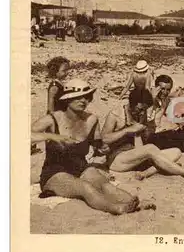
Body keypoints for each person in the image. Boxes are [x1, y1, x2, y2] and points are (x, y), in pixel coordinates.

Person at [31, 79, 143, 215]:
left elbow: (98, 146)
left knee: (104, 184)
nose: (84, 100)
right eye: (78, 97)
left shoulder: (91, 119)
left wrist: (102, 149)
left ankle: (134, 202)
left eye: (87, 97)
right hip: (54, 172)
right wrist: (53, 137)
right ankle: (117, 208)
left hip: (80, 167)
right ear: (67, 99)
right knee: (85, 187)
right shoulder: (53, 119)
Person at [101, 88, 184, 181]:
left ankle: (145, 173)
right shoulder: (116, 115)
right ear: (131, 103)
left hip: (134, 157)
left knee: (176, 151)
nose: (142, 112)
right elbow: (103, 139)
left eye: (144, 110)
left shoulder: (141, 114)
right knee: (151, 149)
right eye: (140, 109)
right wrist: (126, 130)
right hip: (117, 160)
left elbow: (140, 142)